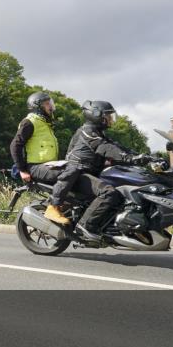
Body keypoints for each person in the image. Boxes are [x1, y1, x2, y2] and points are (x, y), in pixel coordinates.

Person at [53, 100, 153, 242]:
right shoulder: (87, 132)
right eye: (108, 115)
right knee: (108, 193)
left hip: (90, 172)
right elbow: (105, 148)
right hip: (79, 174)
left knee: (119, 192)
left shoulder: (98, 133)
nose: (111, 119)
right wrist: (129, 158)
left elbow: (116, 146)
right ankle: (85, 227)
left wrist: (143, 156)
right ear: (96, 115)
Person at [10, 92, 72, 226]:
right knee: (69, 172)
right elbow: (15, 146)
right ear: (37, 106)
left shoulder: (45, 124)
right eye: (47, 103)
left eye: (50, 103)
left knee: (76, 170)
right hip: (35, 167)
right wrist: (22, 170)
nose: (51, 106)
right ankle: (53, 207)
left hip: (48, 165)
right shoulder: (30, 122)